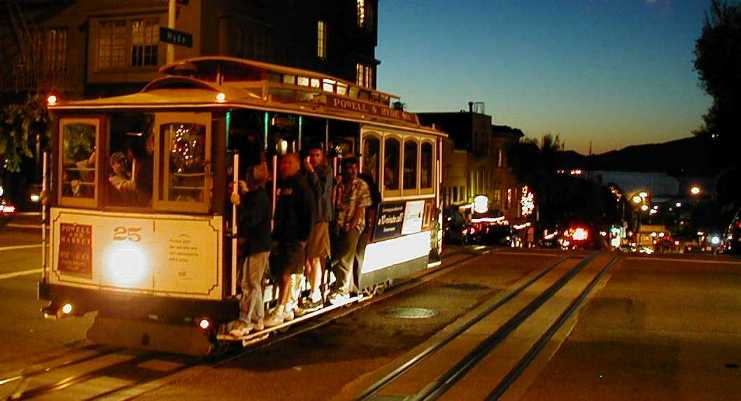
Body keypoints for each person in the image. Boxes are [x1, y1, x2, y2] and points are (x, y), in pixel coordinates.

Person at [264, 153, 315, 327]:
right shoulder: (285, 184)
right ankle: (286, 307)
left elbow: (309, 213)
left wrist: (303, 238)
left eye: (289, 163)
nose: (284, 166)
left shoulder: (301, 185)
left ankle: (280, 310)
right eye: (283, 162)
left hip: (294, 238)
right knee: (282, 272)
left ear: (298, 165)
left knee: (286, 274)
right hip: (282, 236)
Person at [228, 161, 272, 337]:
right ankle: (258, 318)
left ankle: (245, 321)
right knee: (254, 283)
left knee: (249, 284)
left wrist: (239, 204)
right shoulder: (258, 195)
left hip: (257, 245)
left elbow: (250, 220)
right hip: (258, 245)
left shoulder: (260, 198)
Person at [329, 157, 371, 304]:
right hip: (338, 225)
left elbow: (361, 208)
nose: (352, 171)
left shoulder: (361, 185)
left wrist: (351, 224)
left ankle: (342, 290)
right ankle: (350, 287)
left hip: (354, 227)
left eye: (354, 168)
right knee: (336, 257)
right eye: (349, 168)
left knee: (345, 258)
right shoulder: (339, 185)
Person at [300, 145, 334, 312]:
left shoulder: (325, 172)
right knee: (310, 257)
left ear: (323, 157)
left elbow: (321, 192)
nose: (313, 158)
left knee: (315, 256)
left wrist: (311, 171)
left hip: (319, 219)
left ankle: (315, 295)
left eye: (317, 155)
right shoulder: (307, 173)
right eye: (311, 155)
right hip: (308, 219)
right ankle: (313, 291)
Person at [354, 170, 381, 275]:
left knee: (357, 253)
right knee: (358, 254)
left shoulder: (364, 182)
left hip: (361, 224)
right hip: (364, 224)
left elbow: (375, 201)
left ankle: (353, 287)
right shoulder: (366, 180)